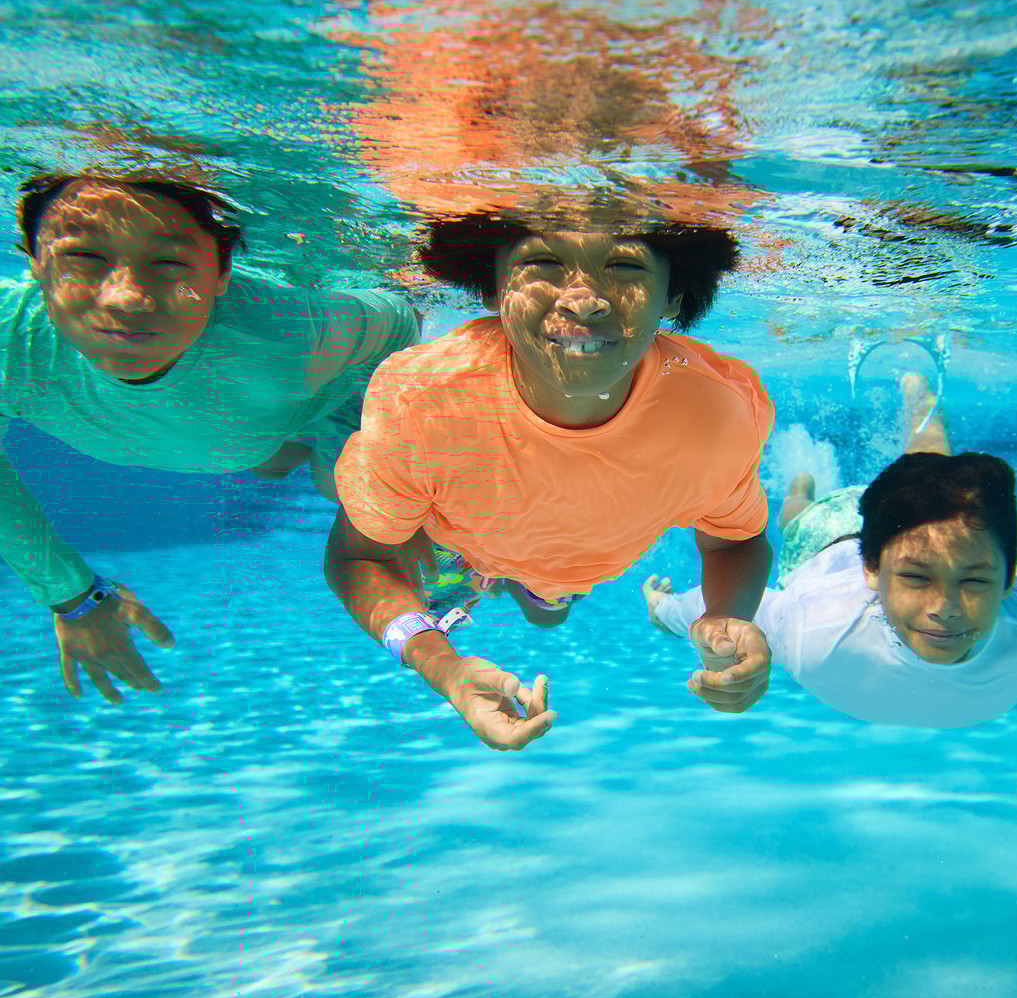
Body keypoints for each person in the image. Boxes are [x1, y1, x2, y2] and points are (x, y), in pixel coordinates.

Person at [324, 206, 776, 751]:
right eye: (542, 260)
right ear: (492, 288)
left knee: (547, 613)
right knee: (449, 588)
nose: (583, 298)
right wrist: (442, 666)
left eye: (625, 266)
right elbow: (360, 556)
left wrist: (726, 617)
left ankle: (529, 589)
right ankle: (502, 582)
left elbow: (736, 538)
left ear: (674, 296)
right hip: (456, 545)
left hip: (573, 567)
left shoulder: (715, 412)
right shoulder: (425, 404)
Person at [2, 171, 418, 705]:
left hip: (316, 404)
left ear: (223, 273)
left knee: (341, 487)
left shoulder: (288, 332)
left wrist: (372, 459)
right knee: (265, 460)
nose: (126, 298)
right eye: (84, 258)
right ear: (34, 260)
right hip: (242, 430)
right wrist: (72, 596)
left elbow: (402, 319)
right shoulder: (9, 340)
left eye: (169, 263)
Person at [644, 375, 1017, 728]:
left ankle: (906, 411)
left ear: (1008, 579)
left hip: (900, 533)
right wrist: (663, 609)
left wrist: (664, 611)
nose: (945, 607)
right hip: (824, 542)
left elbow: (721, 616)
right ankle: (809, 483)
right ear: (870, 569)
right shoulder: (816, 631)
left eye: (974, 580)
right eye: (917, 578)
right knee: (801, 514)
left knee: (939, 485)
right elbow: (722, 616)